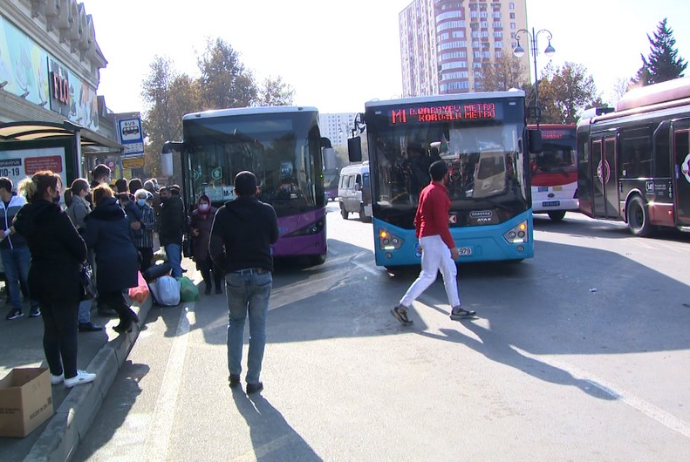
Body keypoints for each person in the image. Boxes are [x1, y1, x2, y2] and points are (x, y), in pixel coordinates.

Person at [14, 170, 96, 388]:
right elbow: (79, 247)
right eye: (57, 187)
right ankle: (71, 374)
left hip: (38, 275)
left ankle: (56, 373)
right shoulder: (55, 214)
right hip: (62, 277)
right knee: (68, 327)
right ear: (49, 191)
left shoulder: (25, 215)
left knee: (50, 327)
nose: (60, 191)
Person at [210, 171, 279, 395]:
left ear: (235, 191)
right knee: (258, 327)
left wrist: (226, 268)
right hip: (261, 274)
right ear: (257, 189)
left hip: (235, 275)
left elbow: (214, 248)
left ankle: (234, 374)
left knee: (236, 322)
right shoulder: (267, 210)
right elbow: (274, 238)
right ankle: (253, 380)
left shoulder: (223, 213)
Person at [391, 160, 476, 326]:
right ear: (445, 175)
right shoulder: (438, 194)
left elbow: (418, 217)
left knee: (449, 271)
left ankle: (456, 307)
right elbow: (441, 224)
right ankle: (402, 307)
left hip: (430, 237)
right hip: (435, 237)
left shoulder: (426, 191)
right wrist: (452, 246)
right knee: (429, 275)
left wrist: (420, 237)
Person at [84, 184, 140, 334]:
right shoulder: (121, 213)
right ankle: (125, 322)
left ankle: (128, 314)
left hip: (108, 258)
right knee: (115, 291)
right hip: (128, 254)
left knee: (105, 292)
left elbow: (90, 240)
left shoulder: (95, 216)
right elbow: (130, 234)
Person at [0, 177, 41, 320]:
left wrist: (10, 230)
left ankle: (35, 305)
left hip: (21, 245)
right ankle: (16, 308)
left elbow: (23, 222)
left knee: (26, 277)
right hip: (5, 247)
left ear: (3, 189)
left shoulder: (20, 202)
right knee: (11, 279)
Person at [65, 178, 102, 333]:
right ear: (82, 191)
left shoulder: (73, 206)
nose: (89, 193)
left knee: (82, 283)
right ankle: (84, 319)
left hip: (79, 250)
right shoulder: (79, 206)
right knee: (87, 284)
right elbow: (85, 228)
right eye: (87, 190)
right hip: (84, 250)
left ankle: (81, 318)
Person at [189, 194, 222, 295]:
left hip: (214, 243)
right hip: (200, 244)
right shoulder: (194, 215)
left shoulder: (215, 212)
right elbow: (189, 226)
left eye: (205, 203)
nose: (203, 205)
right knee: (204, 267)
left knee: (217, 267)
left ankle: (218, 286)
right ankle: (208, 285)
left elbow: (222, 227)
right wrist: (192, 231)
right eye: (201, 203)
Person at [158, 185, 186, 278]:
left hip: (172, 239)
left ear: (170, 194)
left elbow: (175, 223)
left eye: (165, 194)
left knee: (175, 265)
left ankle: (180, 287)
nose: (163, 196)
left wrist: (165, 233)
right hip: (169, 239)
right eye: (161, 194)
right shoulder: (165, 206)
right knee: (173, 264)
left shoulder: (173, 205)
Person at [131, 188, 156, 273]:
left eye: (143, 197)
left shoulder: (150, 210)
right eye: (139, 197)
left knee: (147, 266)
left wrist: (143, 225)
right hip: (135, 244)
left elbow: (153, 225)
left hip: (146, 243)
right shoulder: (132, 210)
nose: (141, 199)